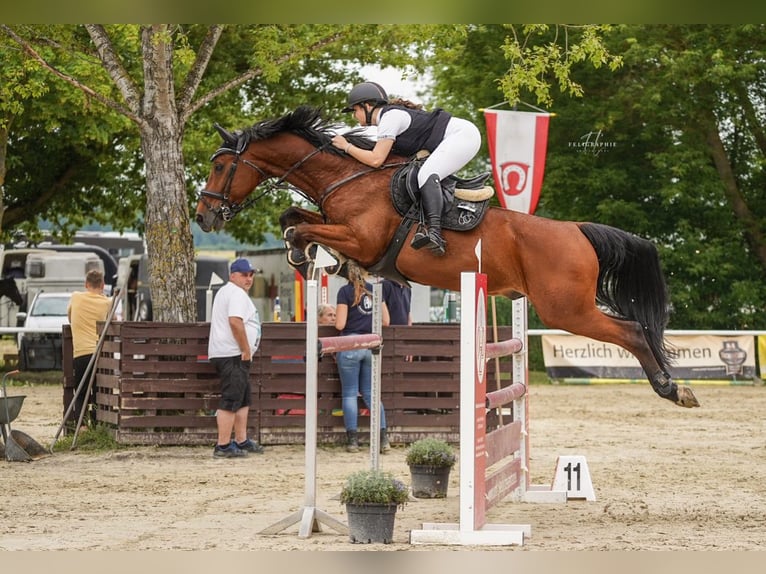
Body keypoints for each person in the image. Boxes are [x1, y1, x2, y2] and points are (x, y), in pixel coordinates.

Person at [332, 81, 482, 256]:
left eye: (355, 110)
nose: (354, 116)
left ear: (367, 106)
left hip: (463, 136)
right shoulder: (388, 119)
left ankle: (434, 232)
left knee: (426, 175)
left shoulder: (390, 118)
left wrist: (346, 146)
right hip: (458, 137)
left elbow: (376, 160)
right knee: (422, 174)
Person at [208, 258, 264, 458]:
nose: (249, 278)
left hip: (229, 353)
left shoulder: (228, 292)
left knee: (242, 398)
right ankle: (222, 446)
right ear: (233, 275)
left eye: (251, 274)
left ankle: (241, 440)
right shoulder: (236, 294)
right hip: (233, 354)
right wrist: (246, 349)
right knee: (232, 399)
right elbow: (235, 322)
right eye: (244, 274)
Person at [335, 280, 391, 453]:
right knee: (371, 394)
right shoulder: (376, 290)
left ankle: (353, 441)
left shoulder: (345, 291)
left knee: (350, 394)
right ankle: (383, 440)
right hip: (370, 344)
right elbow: (386, 321)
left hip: (351, 345)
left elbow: (340, 324)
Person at [67, 269, 113, 428]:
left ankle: (81, 427)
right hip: (99, 354)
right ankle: (96, 425)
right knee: (98, 393)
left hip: (80, 354)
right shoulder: (108, 303)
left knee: (80, 393)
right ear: (103, 284)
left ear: (86, 284)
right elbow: (111, 322)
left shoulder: (75, 297)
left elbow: (70, 317)